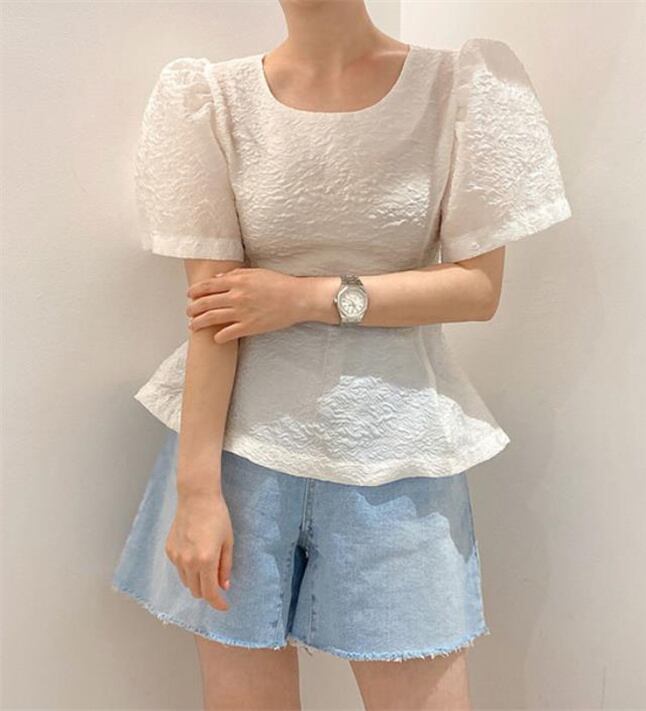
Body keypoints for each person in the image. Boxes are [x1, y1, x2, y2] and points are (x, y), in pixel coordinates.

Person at [111, 1, 572, 708]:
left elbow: (478, 289)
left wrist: (306, 297)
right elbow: (214, 314)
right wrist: (198, 492)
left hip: (398, 457)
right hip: (240, 458)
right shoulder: (211, 100)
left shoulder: (458, 88)